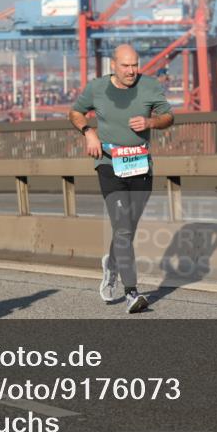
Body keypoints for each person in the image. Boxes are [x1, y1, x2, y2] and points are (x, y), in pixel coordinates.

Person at [69, 44, 174, 314]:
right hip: (109, 164)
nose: (131, 71)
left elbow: (168, 116)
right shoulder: (97, 88)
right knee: (124, 229)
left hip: (140, 165)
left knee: (127, 227)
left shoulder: (150, 86)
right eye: (126, 66)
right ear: (113, 65)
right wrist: (88, 133)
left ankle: (112, 263)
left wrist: (151, 123)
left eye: (135, 65)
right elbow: (76, 112)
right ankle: (132, 293)